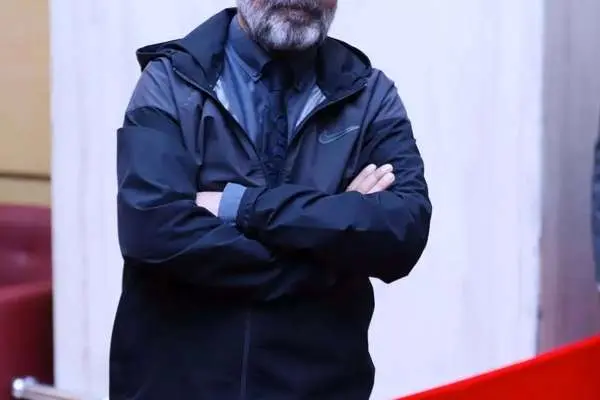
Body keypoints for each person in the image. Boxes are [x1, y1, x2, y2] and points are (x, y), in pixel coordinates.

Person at [111, 2, 432, 399]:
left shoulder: (369, 94)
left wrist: (239, 206)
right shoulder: (172, 80)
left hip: (321, 387)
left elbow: (403, 230)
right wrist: (330, 250)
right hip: (177, 385)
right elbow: (153, 232)